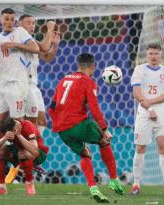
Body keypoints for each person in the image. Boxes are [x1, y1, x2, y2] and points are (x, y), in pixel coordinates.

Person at [48, 53, 124, 203]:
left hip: (61, 130)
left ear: (78, 65)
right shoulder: (88, 82)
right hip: (79, 124)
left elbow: (51, 108)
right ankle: (114, 180)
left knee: (85, 154)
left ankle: (93, 188)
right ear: (93, 66)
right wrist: (104, 128)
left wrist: (60, 123)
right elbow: (94, 108)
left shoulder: (63, 80)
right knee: (104, 141)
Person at [0, 14, 60, 183]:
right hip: (24, 84)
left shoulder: (29, 41)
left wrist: (54, 46)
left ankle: (30, 156)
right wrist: (49, 29)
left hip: (34, 85)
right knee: (30, 124)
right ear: (20, 24)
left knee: (42, 122)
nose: (32, 25)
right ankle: (23, 158)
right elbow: (43, 47)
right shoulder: (18, 35)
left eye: (34, 23)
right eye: (29, 22)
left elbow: (46, 55)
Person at [0, 8, 39, 182]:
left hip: (17, 84)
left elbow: (35, 48)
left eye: (12, 19)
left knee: (17, 125)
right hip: (2, 85)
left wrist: (14, 45)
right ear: (0, 20)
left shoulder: (20, 32)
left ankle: (17, 166)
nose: (10, 22)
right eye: (6, 19)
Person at [130, 43, 164, 195]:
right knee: (140, 147)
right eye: (150, 54)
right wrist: (149, 108)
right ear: (147, 55)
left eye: (156, 54)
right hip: (144, 113)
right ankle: (136, 185)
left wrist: (151, 103)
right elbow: (136, 93)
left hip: (161, 113)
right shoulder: (139, 70)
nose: (153, 56)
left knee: (163, 147)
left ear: (160, 54)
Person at [0, 118, 48, 195]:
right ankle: (1, 187)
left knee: (22, 153)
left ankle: (30, 184)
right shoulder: (6, 127)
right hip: (18, 151)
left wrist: (19, 135)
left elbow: (35, 151)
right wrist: (4, 138)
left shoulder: (27, 126)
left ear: (15, 128)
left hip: (39, 154)